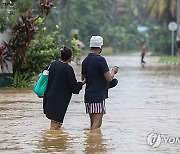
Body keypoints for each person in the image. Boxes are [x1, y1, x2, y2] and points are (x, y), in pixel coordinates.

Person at [43, 46, 85, 130]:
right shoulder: (68, 69)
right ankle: (53, 142)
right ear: (70, 57)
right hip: (59, 100)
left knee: (54, 123)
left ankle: (50, 141)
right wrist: (82, 82)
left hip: (48, 97)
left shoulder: (52, 64)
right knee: (56, 125)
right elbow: (74, 89)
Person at [81, 36, 118, 130]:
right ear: (100, 47)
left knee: (92, 124)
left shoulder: (85, 60)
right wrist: (113, 72)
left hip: (88, 96)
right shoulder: (100, 60)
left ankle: (89, 143)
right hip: (98, 96)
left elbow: (83, 79)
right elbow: (109, 79)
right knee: (97, 125)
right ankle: (94, 143)